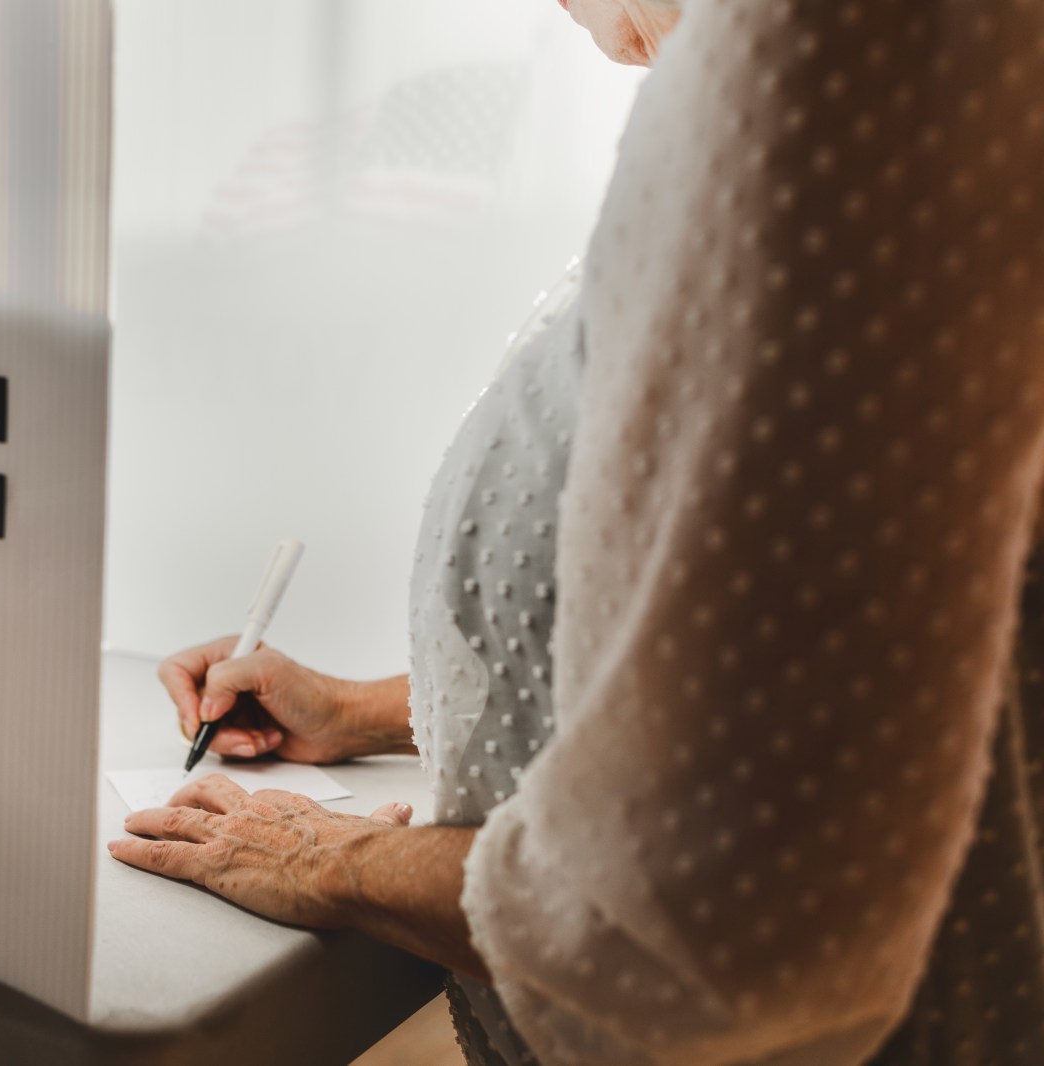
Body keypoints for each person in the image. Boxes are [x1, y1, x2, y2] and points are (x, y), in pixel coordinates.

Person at [108, 1, 1044, 1063]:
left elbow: (716, 905)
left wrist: (340, 863)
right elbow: (768, 668)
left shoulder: (849, 85)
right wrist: (359, 713)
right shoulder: (753, 115)